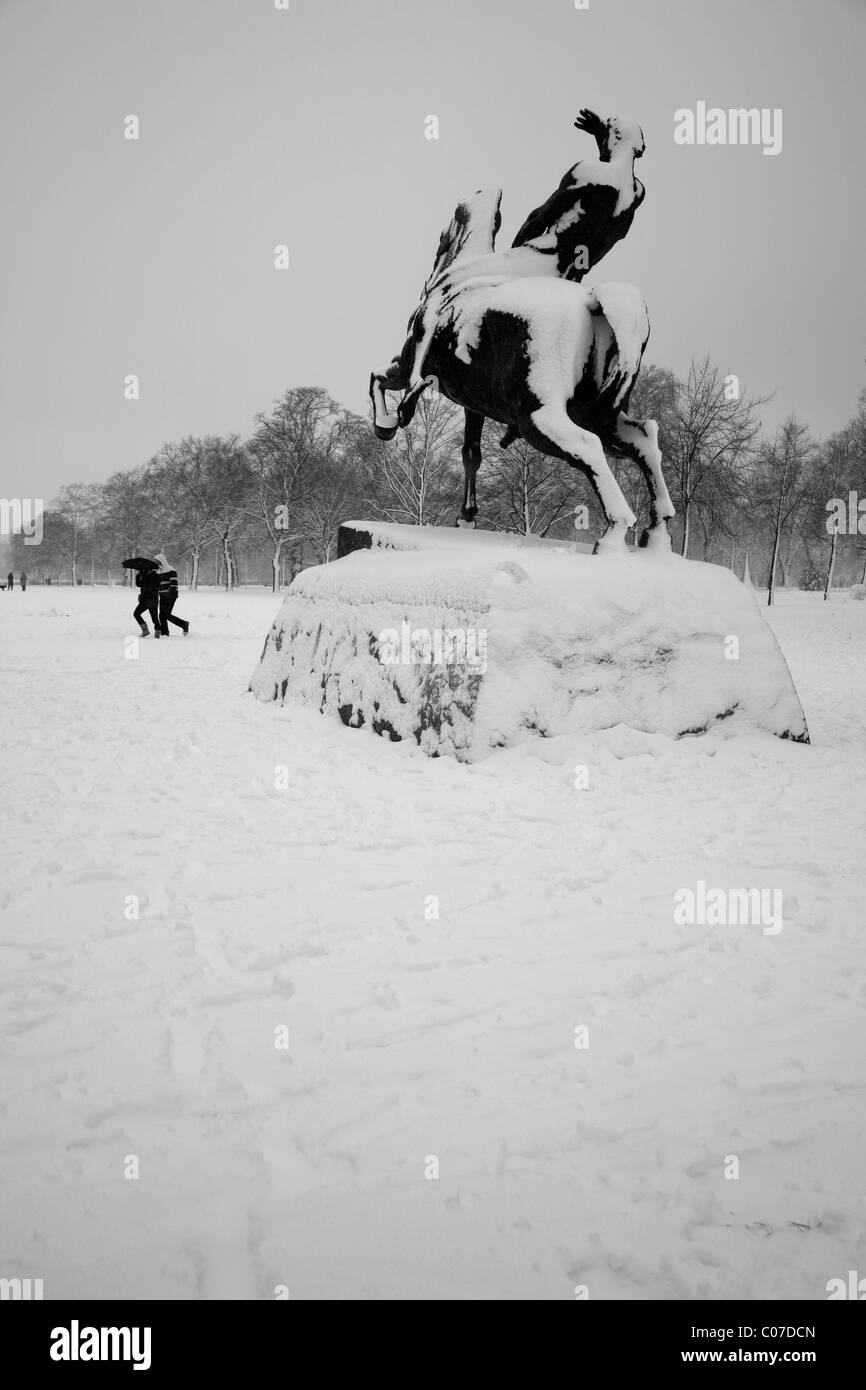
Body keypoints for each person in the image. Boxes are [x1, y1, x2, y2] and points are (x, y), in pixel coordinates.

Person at [154, 552, 189, 636]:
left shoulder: (171, 570)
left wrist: (170, 595)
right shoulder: (158, 572)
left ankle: (183, 624)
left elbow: (174, 584)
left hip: (171, 596)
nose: (155, 563)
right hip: (162, 596)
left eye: (157, 561)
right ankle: (165, 632)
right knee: (162, 615)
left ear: (161, 561)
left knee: (166, 614)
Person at [133, 566, 160, 638]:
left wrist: (145, 581)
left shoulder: (154, 576)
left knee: (137, 613)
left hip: (148, 599)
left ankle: (146, 630)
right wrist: (138, 575)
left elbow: (155, 586)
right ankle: (156, 631)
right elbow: (138, 584)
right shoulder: (145, 575)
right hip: (151, 599)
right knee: (154, 616)